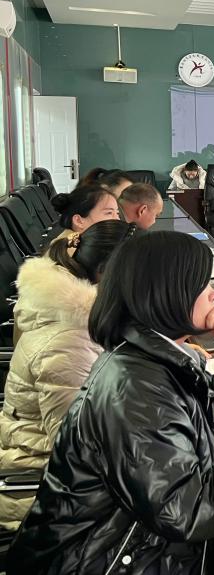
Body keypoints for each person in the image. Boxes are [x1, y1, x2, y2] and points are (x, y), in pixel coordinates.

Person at [7, 231, 214, 574]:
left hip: (146, 544)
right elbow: (184, 512)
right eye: (202, 284)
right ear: (166, 293)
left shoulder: (159, 357)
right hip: (103, 560)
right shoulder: (135, 389)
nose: (213, 294)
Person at [0, 220, 136, 530]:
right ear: (107, 275)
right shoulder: (70, 342)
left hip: (61, 471)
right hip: (45, 491)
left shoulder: (80, 317)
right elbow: (78, 449)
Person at [44, 184, 121, 247]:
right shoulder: (71, 254)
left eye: (117, 213)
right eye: (109, 213)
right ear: (78, 221)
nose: (117, 219)